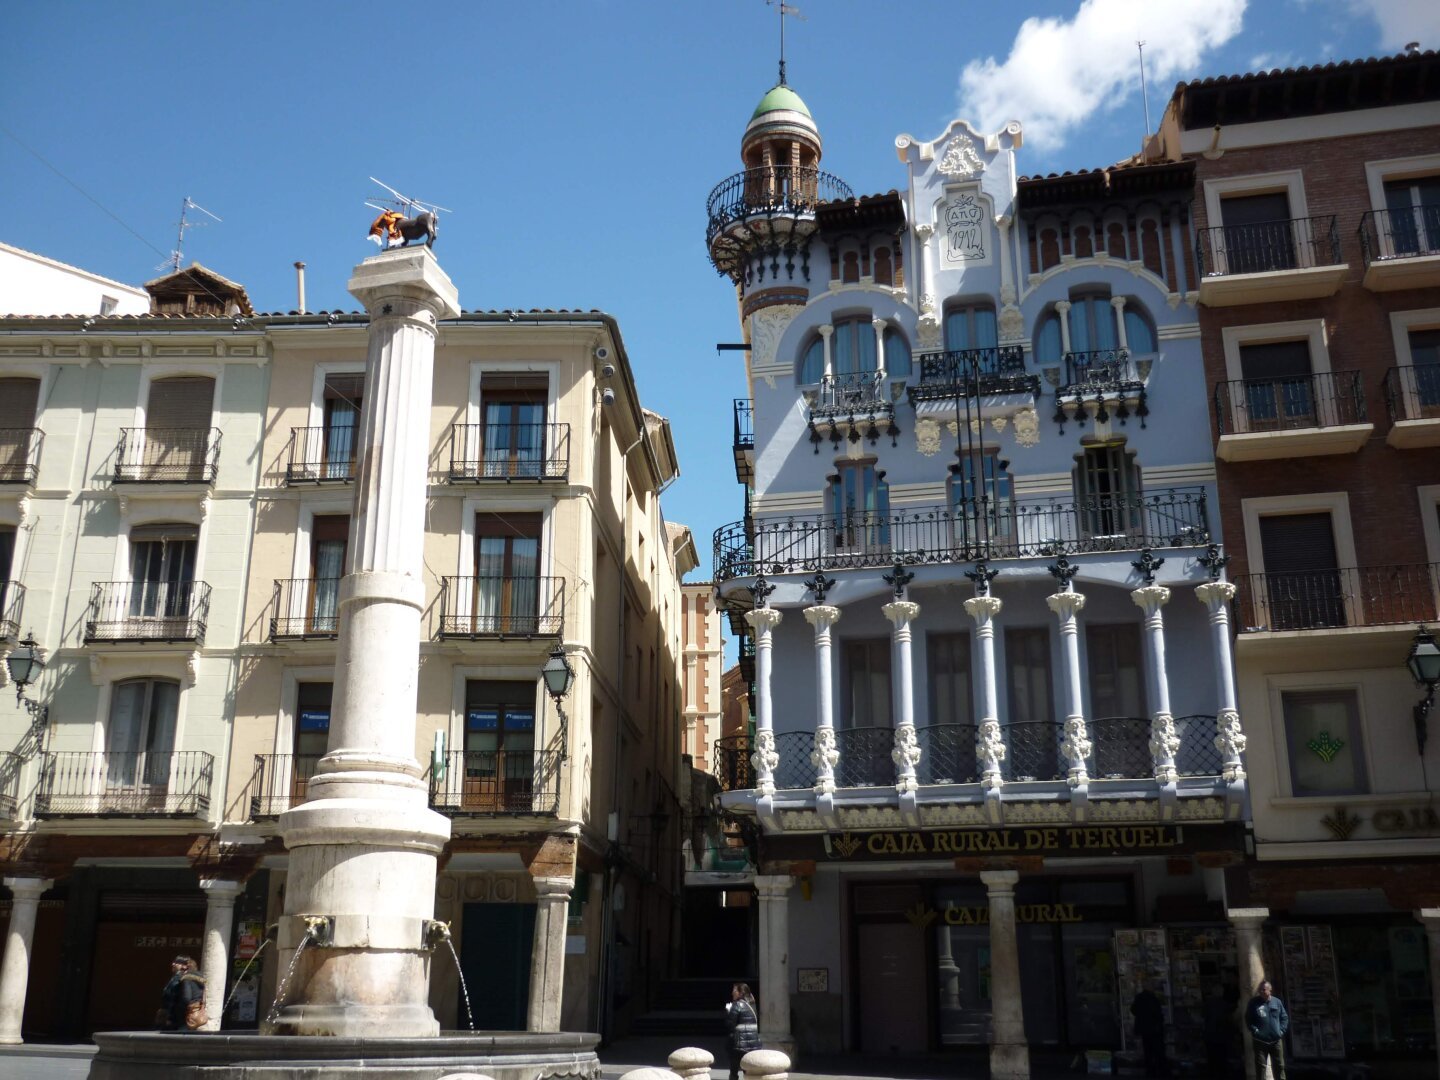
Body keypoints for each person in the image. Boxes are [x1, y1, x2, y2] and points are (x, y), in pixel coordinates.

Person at [1245, 979, 1289, 1080]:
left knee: (1279, 1065)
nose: (1261, 991)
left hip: (1276, 1041)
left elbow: (1284, 1018)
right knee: (1261, 1067)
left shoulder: (1277, 1002)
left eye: (1264, 989)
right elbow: (1248, 1019)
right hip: (1260, 1041)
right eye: (1260, 990)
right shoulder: (1253, 1003)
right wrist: (1255, 1031)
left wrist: (1281, 1031)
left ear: (1270, 990)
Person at [157, 955, 206, 1032]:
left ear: (184, 966)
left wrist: (172, 1016)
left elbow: (186, 998)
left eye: (177, 962)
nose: (173, 964)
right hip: (192, 1015)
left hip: (181, 1018)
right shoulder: (199, 978)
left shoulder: (185, 978)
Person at [1129, 982, 1168, 1076]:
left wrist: (1141, 1016)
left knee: (1147, 1051)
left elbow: (1133, 1009)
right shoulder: (1153, 998)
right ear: (1150, 988)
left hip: (1144, 1029)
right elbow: (1157, 1013)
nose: (1154, 987)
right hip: (1154, 1029)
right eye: (1152, 986)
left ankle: (1150, 1070)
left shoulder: (1139, 997)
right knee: (1158, 1051)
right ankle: (1161, 1071)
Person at [724, 982, 760, 1080]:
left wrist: (728, 1011)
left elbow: (730, 1024)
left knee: (734, 1072)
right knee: (748, 1071)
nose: (732, 993)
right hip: (753, 1044)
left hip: (739, 1045)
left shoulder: (736, 1005)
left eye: (734, 990)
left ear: (740, 993)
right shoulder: (752, 1005)